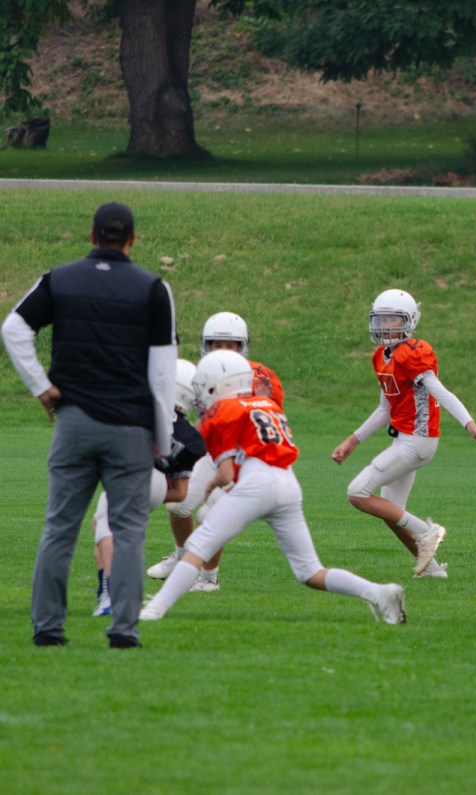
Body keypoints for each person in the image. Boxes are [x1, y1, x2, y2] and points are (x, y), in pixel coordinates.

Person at [2, 202, 176, 649]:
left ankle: (47, 627)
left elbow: (14, 329)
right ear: (132, 239)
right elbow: (162, 375)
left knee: (60, 526)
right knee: (129, 531)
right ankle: (124, 630)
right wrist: (162, 438)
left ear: (93, 236)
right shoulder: (153, 288)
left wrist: (42, 387)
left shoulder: (59, 279)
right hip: (130, 427)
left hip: (74, 421)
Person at [139, 350, 408, 624]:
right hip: (288, 485)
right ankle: (379, 593)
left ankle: (154, 609)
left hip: (257, 483)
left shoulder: (222, 410)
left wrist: (209, 486)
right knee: (310, 571)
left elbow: (225, 472)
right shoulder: (267, 404)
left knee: (197, 546)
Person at [331, 289, 476, 577]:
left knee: (357, 493)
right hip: (405, 439)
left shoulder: (413, 352)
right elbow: (385, 408)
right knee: (391, 511)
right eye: (381, 319)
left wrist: (470, 425)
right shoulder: (380, 356)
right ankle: (432, 569)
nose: (385, 326)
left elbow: (440, 391)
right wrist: (352, 441)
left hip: (417, 440)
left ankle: (428, 531)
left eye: (393, 320)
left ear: (410, 322)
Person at [146, 311, 285, 592]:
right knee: (178, 505)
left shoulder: (261, 377)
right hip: (211, 452)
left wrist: (262, 400)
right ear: (205, 345)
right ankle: (182, 556)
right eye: (216, 345)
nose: (222, 350)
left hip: (244, 457)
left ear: (242, 347)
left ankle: (209, 578)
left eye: (230, 345)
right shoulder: (199, 373)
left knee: (209, 516)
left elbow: (272, 425)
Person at [92, 359, 206, 616]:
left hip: (131, 475)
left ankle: (111, 594)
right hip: (158, 486)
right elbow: (181, 493)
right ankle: (109, 592)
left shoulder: (142, 409)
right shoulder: (190, 436)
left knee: (105, 526)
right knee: (117, 531)